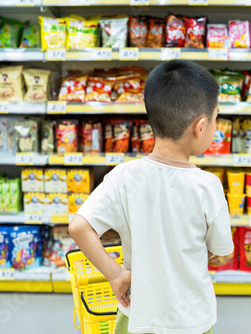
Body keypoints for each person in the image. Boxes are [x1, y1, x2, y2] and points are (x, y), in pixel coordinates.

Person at [68, 59, 233, 334]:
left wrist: (117, 275)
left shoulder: (124, 176)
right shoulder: (208, 186)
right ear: (201, 126)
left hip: (137, 316)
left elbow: (78, 226)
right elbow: (223, 253)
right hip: (192, 320)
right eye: (216, 118)